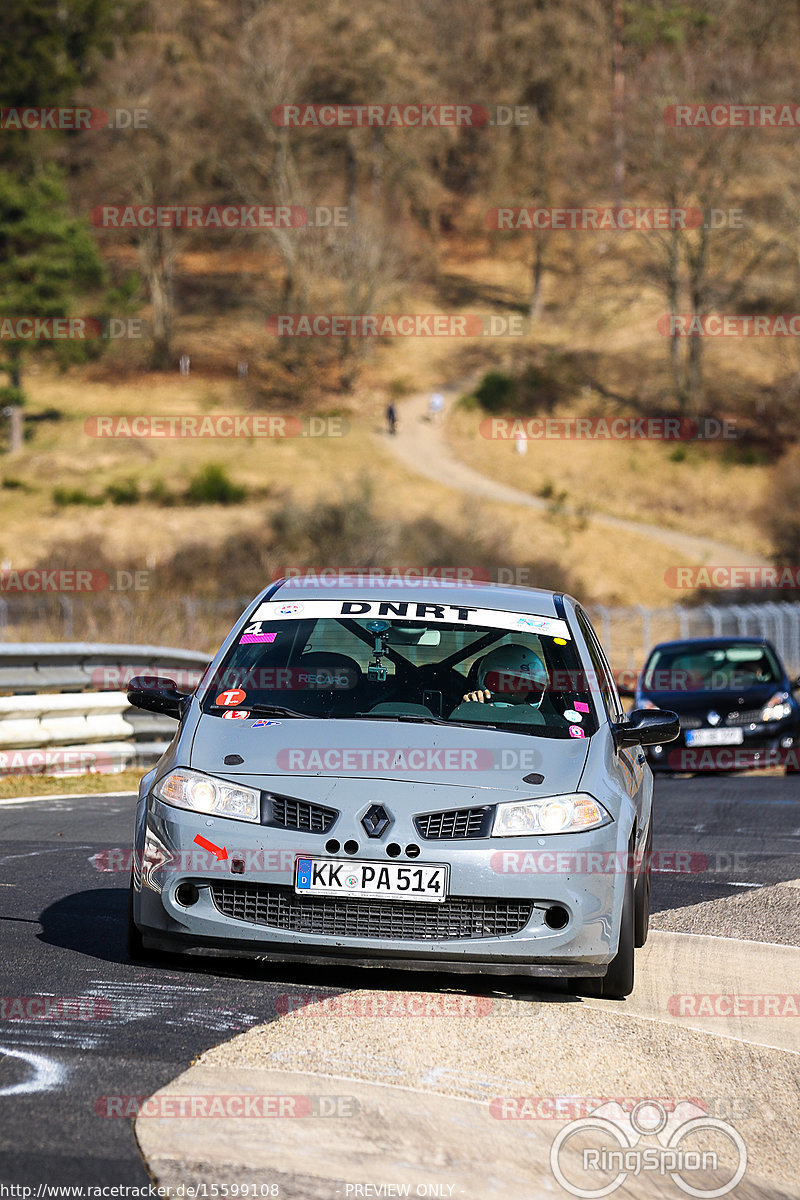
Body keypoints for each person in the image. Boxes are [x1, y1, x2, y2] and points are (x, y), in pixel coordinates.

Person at [462, 643, 548, 706]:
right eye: (507, 683)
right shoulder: (472, 709)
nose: (514, 692)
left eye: (524, 686)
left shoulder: (546, 726)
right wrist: (468, 709)